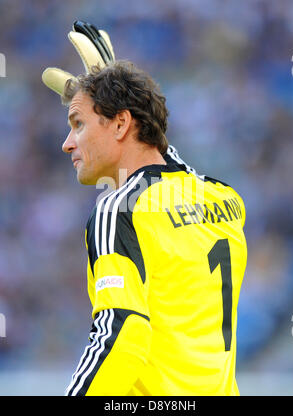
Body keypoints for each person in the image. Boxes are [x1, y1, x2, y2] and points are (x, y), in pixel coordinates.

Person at [42, 23, 247, 396]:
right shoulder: (224, 198)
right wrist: (114, 87)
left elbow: (119, 332)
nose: (67, 143)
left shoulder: (119, 211)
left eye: (78, 124)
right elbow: (165, 162)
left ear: (121, 122)